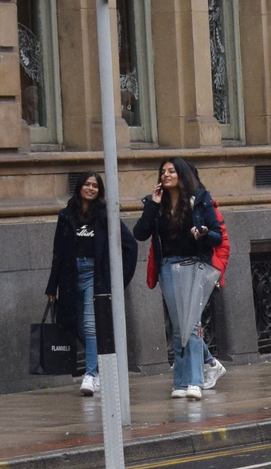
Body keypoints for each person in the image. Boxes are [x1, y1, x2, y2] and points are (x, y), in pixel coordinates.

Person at [134, 156, 225, 401]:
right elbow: (139, 233)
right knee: (178, 327)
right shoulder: (157, 203)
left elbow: (217, 236)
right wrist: (151, 205)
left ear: (181, 174)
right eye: (163, 171)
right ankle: (181, 383)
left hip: (194, 266)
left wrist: (203, 233)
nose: (166, 175)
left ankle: (195, 381)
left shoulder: (201, 199)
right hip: (168, 268)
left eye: (171, 171)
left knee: (192, 326)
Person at [45, 172, 135, 397]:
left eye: (95, 186)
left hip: (95, 276)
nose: (91, 188)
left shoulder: (105, 215)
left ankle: (91, 373)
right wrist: (51, 286)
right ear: (79, 188)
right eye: (87, 184)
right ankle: (103, 369)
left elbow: (130, 245)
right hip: (70, 275)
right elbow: (58, 252)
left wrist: (119, 280)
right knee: (74, 324)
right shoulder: (66, 215)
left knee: (89, 324)